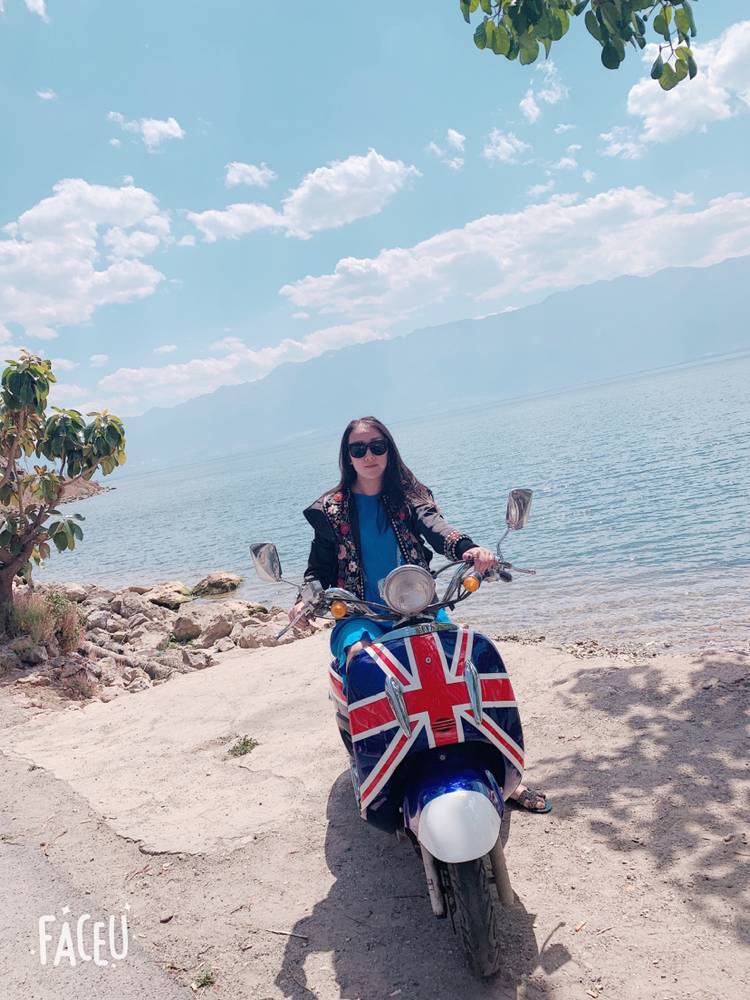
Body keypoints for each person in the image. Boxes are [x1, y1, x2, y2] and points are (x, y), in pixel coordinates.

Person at [291, 415, 550, 814]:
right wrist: (304, 598)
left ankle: (503, 772)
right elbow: (318, 568)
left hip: (420, 605)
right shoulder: (331, 510)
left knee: (462, 659)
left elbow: (436, 528)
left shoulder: (407, 496)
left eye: (377, 446)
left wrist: (469, 549)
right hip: (361, 613)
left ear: (389, 450)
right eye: (358, 449)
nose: (369, 455)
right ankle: (374, 764)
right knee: (359, 659)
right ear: (347, 456)